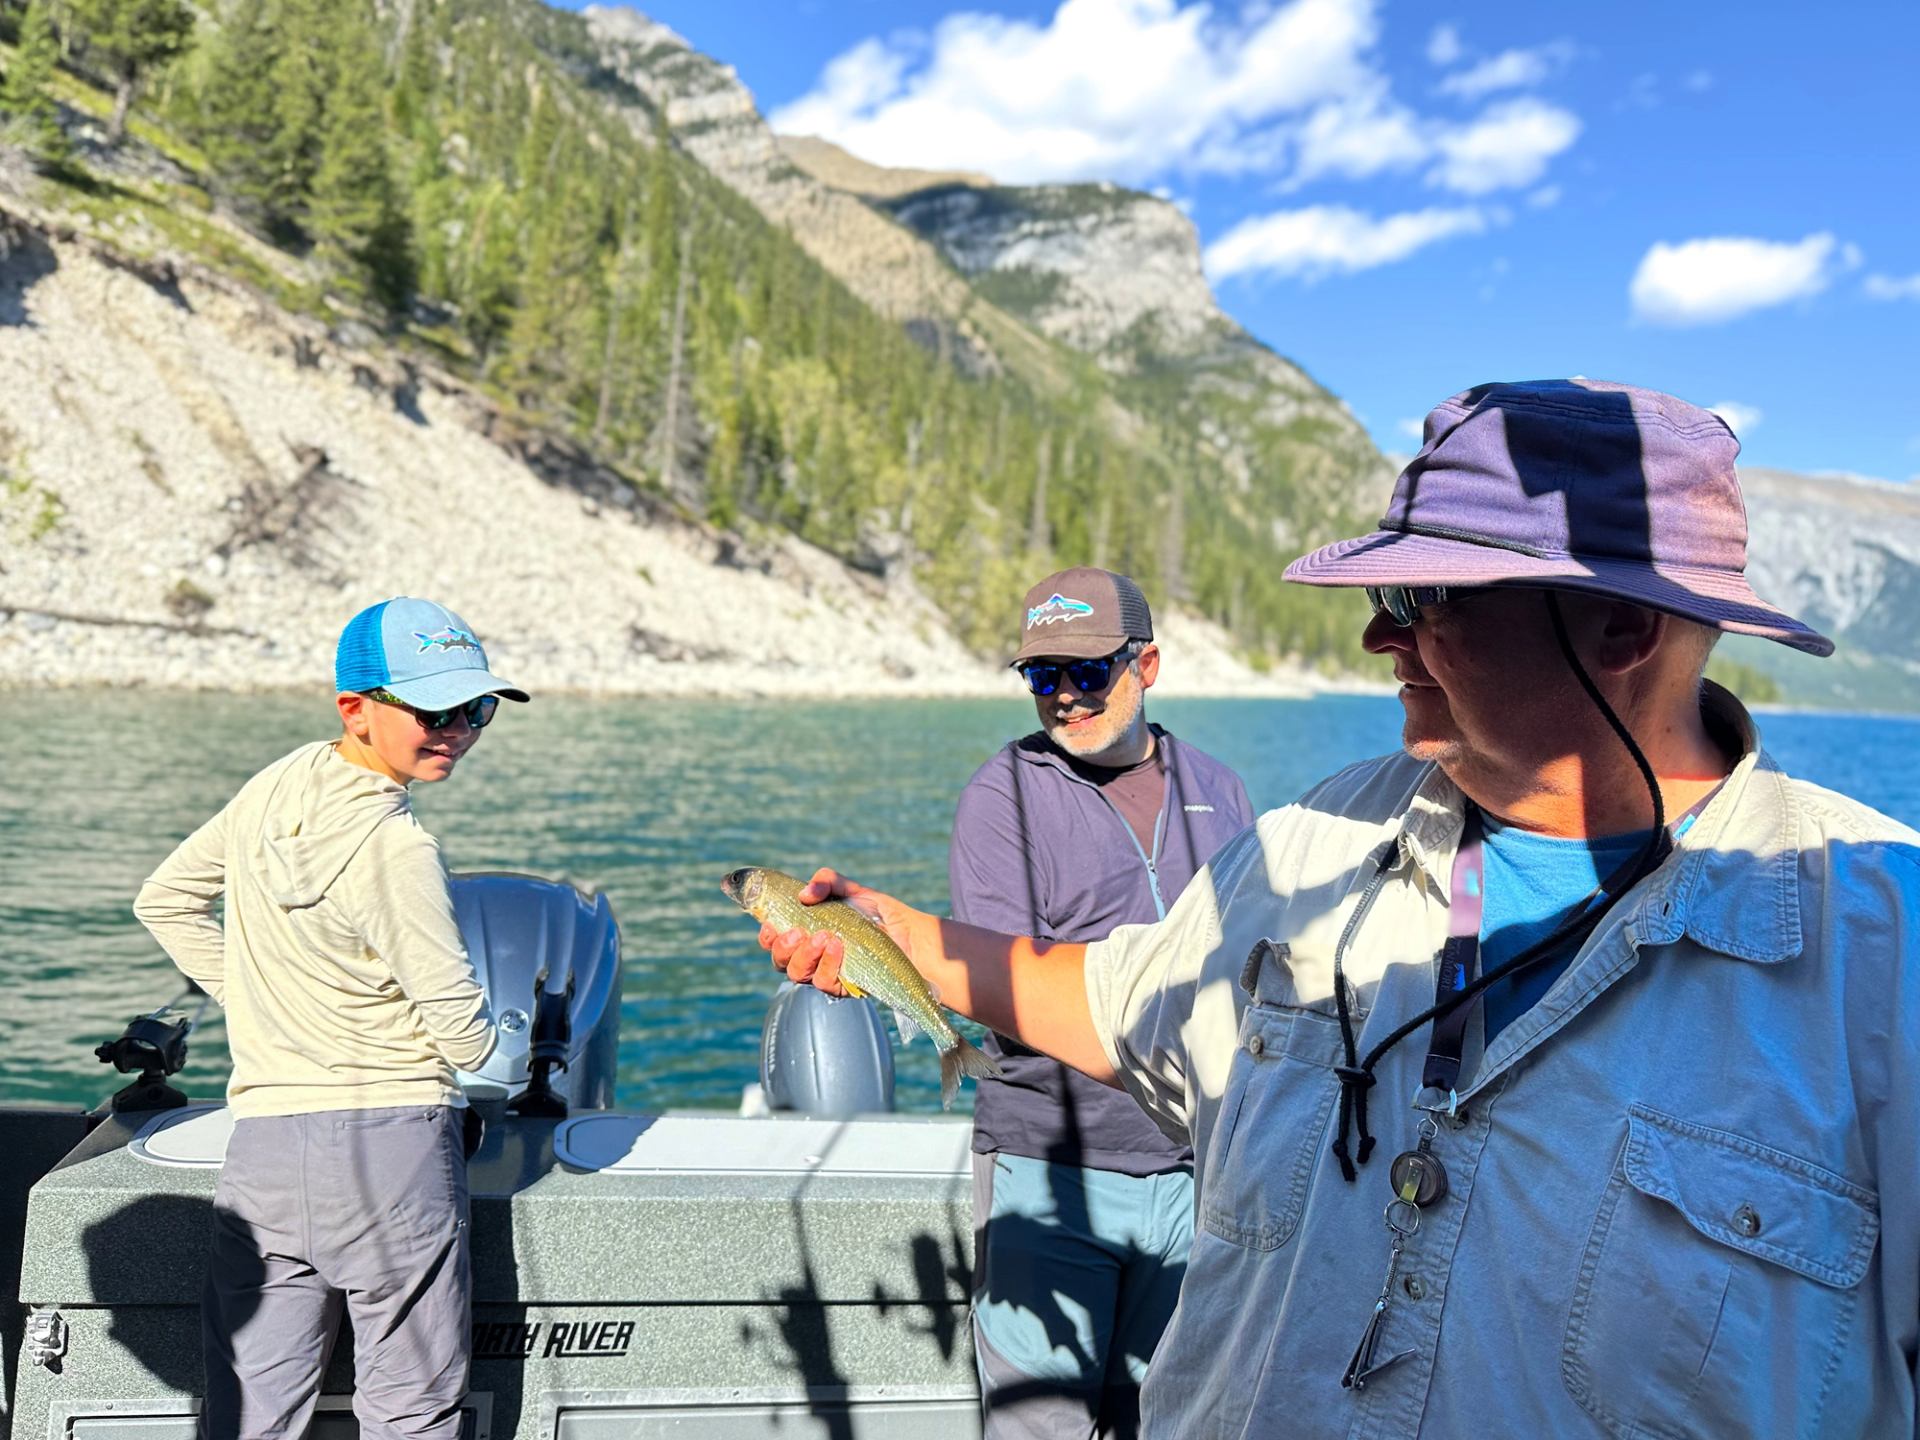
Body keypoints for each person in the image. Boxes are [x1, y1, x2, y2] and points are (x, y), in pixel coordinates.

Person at [760, 379, 1920, 1437]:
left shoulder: (1885, 951)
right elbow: (1115, 1004)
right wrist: (898, 935)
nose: (1378, 633)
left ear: (1623, 629)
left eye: (1426, 595)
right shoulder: (1319, 836)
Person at [133, 596, 528, 1440]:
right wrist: (514, 1055)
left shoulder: (273, 787)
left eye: (478, 708)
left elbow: (163, 899)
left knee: (248, 1415)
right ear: (355, 706)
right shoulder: (399, 849)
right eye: (434, 710)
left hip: (266, 1152)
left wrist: (261, 995)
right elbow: (463, 1036)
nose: (458, 728)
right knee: (411, 1410)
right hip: (390, 1153)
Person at [955, 566, 1252, 1438]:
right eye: (1043, 677)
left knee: (1169, 1422)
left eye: (1089, 672)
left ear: (1147, 664)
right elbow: (1013, 990)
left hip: (1199, 1176)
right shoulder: (1000, 797)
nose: (1065, 699)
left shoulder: (1223, 789)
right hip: (1048, 1177)